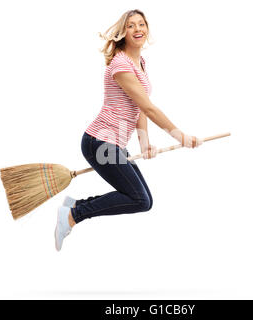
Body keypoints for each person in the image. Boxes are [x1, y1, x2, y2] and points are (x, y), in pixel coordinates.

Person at [54, 9, 202, 251]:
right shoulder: (121, 65)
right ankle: (74, 214)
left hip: (113, 143)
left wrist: (144, 142)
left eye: (141, 24)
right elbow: (148, 107)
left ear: (147, 29)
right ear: (123, 32)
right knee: (139, 199)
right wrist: (180, 136)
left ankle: (74, 205)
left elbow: (139, 107)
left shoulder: (139, 62)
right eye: (131, 25)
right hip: (99, 142)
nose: (138, 29)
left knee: (146, 200)